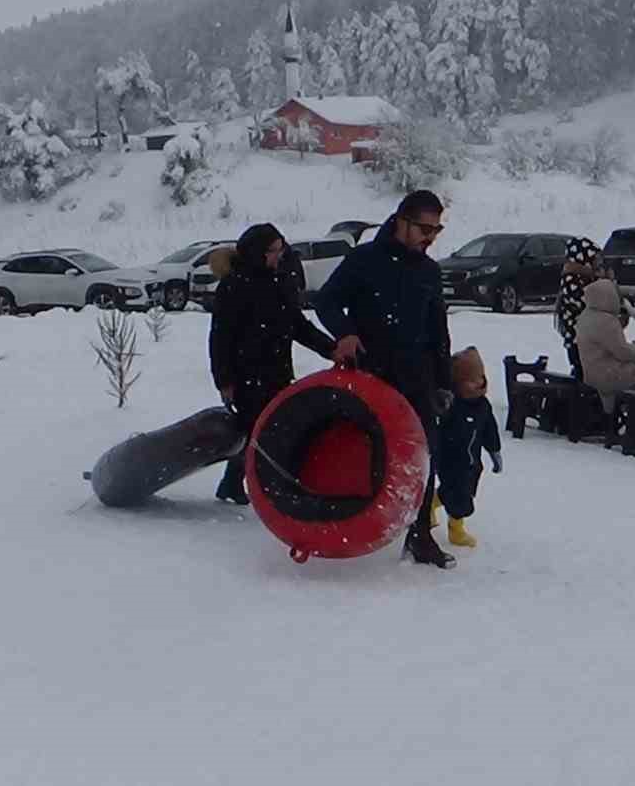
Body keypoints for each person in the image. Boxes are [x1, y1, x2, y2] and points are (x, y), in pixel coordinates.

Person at [314, 190, 456, 568]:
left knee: (426, 455)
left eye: (436, 229)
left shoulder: (429, 271)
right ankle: (348, 525)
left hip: (417, 375)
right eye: (424, 228)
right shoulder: (364, 260)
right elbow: (325, 301)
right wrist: (344, 332)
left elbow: (438, 331)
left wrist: (444, 381)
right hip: (370, 373)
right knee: (366, 454)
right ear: (402, 221)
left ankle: (420, 535)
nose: (430, 236)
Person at [209, 223, 336, 505]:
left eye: (281, 249)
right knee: (261, 431)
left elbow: (297, 326)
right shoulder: (234, 285)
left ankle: (233, 484)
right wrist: (225, 380)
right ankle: (264, 486)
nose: (279, 255)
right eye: (273, 251)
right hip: (246, 375)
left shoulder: (279, 281)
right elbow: (221, 337)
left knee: (262, 430)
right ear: (257, 253)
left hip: (276, 370)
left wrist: (332, 349)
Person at [432, 347, 502, 549]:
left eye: (480, 377)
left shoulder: (483, 405)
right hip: (451, 461)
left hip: (473, 462)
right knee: (460, 498)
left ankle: (430, 505)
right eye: (471, 380)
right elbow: (438, 433)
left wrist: (494, 451)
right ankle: (456, 530)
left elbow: (490, 429)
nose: (478, 383)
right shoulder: (451, 406)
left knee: (464, 491)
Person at [575, 277, 635, 412]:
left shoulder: (586, 317)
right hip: (612, 375)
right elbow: (623, 353)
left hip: (593, 374)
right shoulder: (607, 321)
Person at [555, 237, 604, 379]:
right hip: (578, 340)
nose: (597, 262)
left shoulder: (586, 277)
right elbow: (585, 302)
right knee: (583, 374)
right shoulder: (571, 279)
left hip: (589, 339)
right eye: (594, 258)